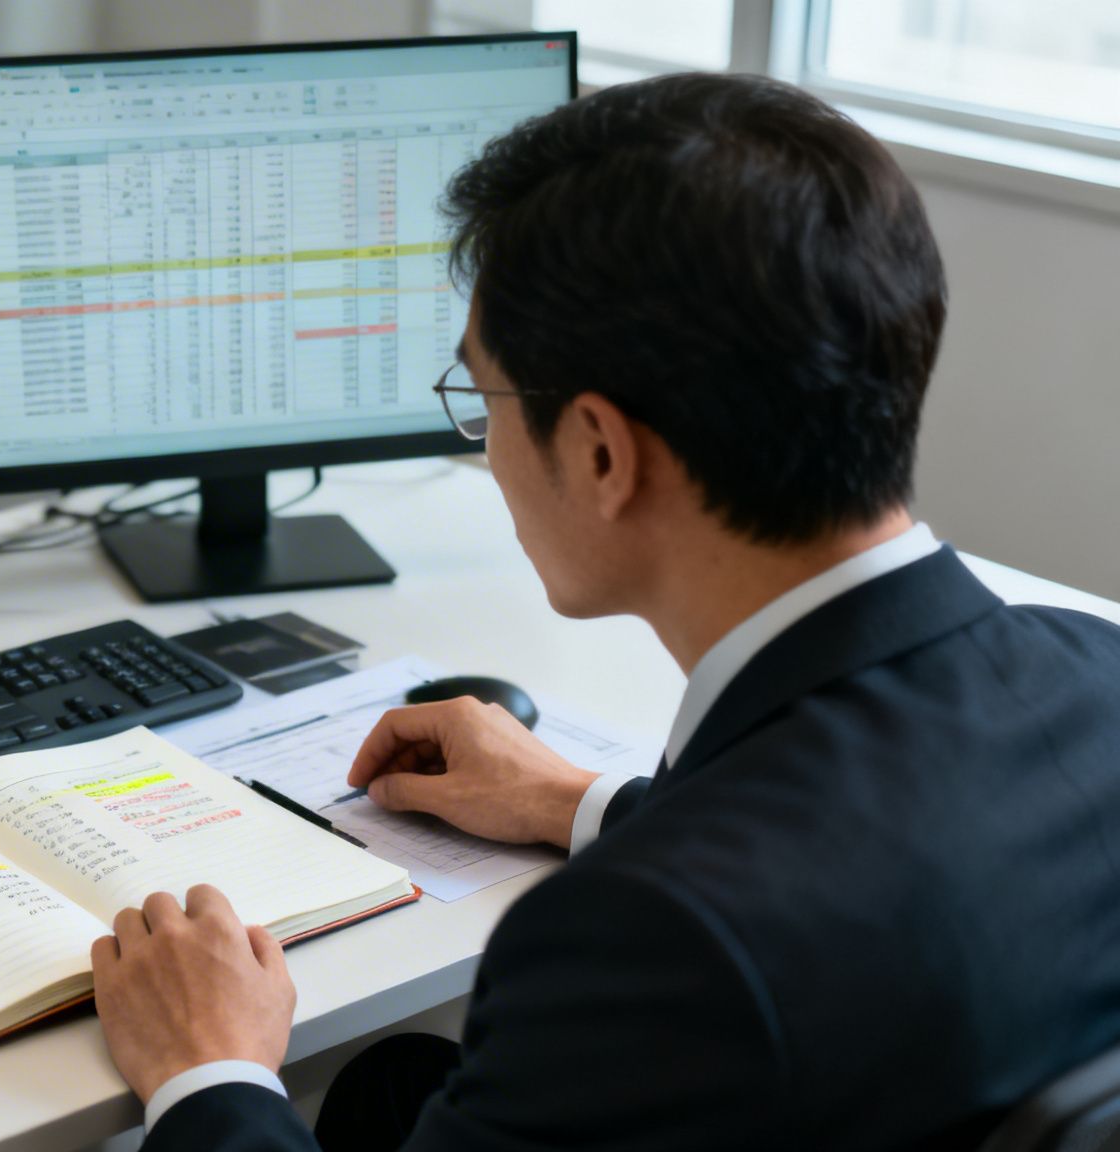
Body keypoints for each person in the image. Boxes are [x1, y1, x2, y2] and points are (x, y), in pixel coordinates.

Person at [89, 72, 1120, 1151]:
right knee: (392, 1085)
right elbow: (870, 865)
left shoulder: (649, 943)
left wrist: (205, 1069)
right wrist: (580, 803)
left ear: (596, 451)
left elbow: (747, 922)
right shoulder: (1092, 676)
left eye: (478, 400)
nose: (483, 447)